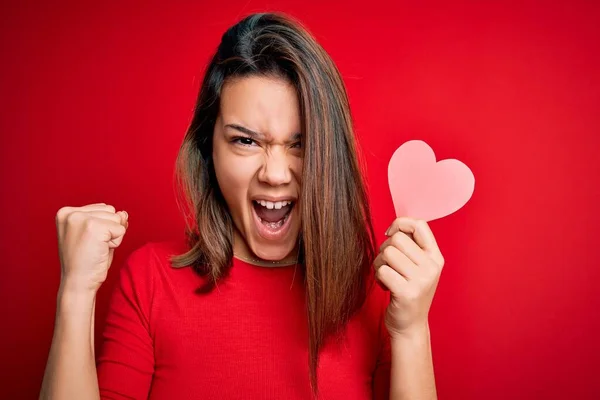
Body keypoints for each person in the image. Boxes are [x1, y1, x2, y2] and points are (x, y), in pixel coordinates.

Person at [39, 11, 444, 400]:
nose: (275, 173)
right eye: (246, 141)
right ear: (207, 147)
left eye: (300, 144)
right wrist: (75, 294)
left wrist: (411, 332)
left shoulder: (377, 295)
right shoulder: (149, 283)